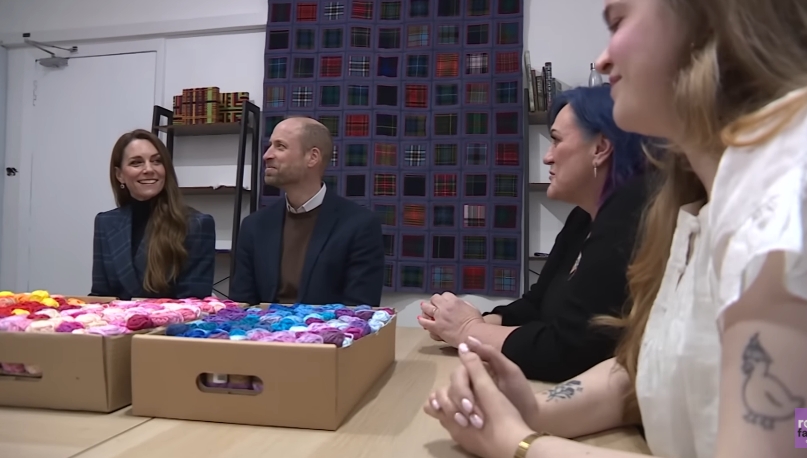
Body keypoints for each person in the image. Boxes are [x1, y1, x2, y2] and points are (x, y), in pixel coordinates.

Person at [422, 1, 807, 458]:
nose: (602, 60)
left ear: (710, 21)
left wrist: (519, 444)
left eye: (618, 22)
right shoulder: (695, 197)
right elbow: (644, 368)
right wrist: (534, 409)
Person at [417, 86, 651, 382]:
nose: (547, 158)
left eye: (556, 141)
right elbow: (536, 306)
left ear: (601, 148)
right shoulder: (582, 218)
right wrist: (472, 322)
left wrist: (468, 331)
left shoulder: (628, 223)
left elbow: (566, 353)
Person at [229, 117, 385, 306]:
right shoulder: (254, 226)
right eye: (270, 145)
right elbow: (241, 306)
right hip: (261, 333)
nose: (267, 155)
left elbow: (359, 311)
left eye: (280, 146)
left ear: (312, 157)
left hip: (329, 334)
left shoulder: (359, 225)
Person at [91, 129, 216, 300]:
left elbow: (193, 305)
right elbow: (100, 297)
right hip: (116, 325)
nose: (149, 169)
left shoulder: (197, 224)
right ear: (119, 175)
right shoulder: (105, 223)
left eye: (157, 161)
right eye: (136, 163)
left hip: (170, 325)